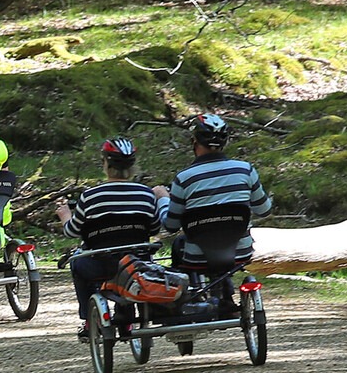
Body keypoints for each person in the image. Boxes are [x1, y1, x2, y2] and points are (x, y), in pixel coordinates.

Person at [154, 113, 273, 310]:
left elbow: (171, 225)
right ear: (225, 142)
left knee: (179, 243)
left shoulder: (184, 179)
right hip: (239, 251)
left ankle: (187, 297)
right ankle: (226, 293)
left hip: (197, 256)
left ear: (194, 142)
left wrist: (162, 198)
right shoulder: (245, 170)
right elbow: (264, 210)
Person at [55, 138, 163, 342]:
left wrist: (65, 216)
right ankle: (131, 313)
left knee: (78, 264)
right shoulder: (146, 194)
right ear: (133, 165)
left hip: (100, 266)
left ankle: (89, 320)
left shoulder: (90, 196)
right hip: (137, 265)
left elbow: (72, 231)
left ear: (105, 163)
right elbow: (155, 227)